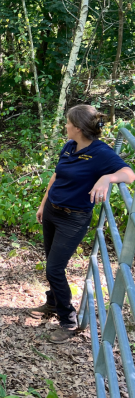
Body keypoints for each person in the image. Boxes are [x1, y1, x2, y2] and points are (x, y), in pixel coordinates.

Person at [29, 105, 135, 343]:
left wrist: (108, 177)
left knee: (54, 269)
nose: (65, 126)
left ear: (77, 127)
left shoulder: (100, 152)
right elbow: (57, 176)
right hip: (52, 211)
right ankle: (53, 303)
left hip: (74, 218)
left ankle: (68, 321)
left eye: (68, 123)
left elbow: (129, 174)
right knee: (51, 264)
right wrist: (43, 203)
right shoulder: (70, 146)